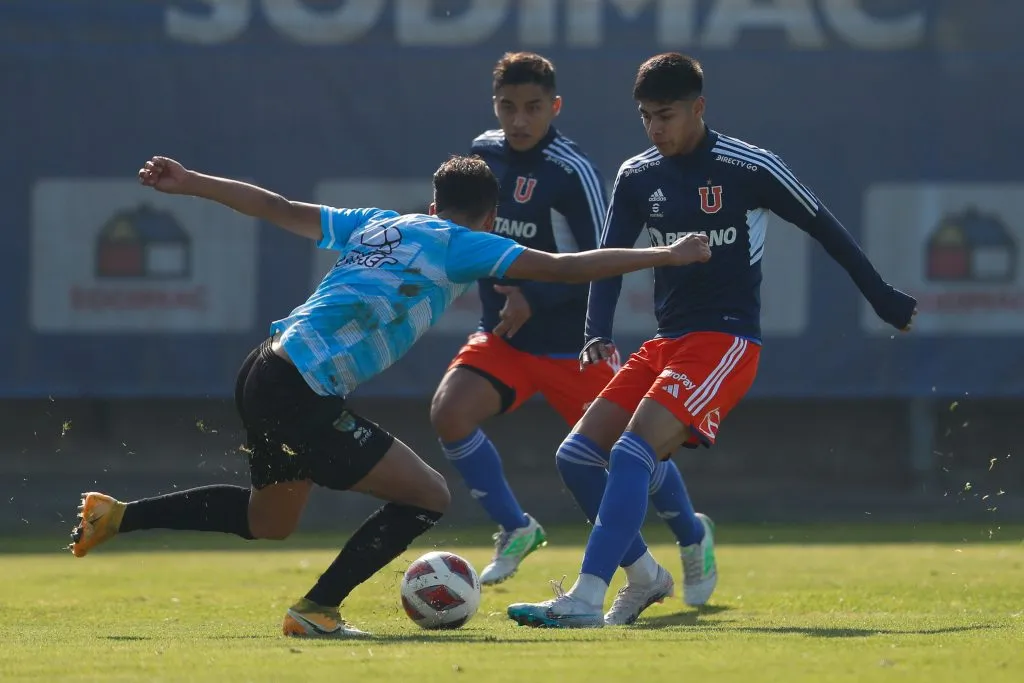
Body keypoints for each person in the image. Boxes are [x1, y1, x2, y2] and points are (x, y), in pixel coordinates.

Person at [69, 153, 712, 638]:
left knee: (272, 521)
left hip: (265, 367)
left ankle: (119, 515)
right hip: (302, 386)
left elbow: (273, 206)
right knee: (428, 495)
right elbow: (567, 268)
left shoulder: (376, 224)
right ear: (489, 218)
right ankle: (317, 610)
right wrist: (667, 256)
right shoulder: (466, 244)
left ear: (432, 203)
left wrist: (193, 181)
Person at [507, 53, 918, 628]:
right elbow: (607, 258)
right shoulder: (636, 175)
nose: (655, 129)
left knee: (630, 452)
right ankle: (648, 576)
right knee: (575, 457)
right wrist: (596, 330)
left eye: (667, 116)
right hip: (665, 341)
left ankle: (585, 596)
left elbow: (823, 223)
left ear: (698, 108)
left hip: (724, 341)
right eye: (646, 116)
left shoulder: (749, 166)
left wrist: (880, 296)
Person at [430, 51, 703, 586]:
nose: (519, 121)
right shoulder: (482, 155)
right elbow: (464, 235)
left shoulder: (571, 171)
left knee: (639, 452)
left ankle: (693, 535)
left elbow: (601, 261)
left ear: (554, 107)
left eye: (533, 107)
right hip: (504, 338)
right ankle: (518, 528)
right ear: (495, 106)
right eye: (508, 107)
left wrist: (531, 294)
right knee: (449, 412)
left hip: (569, 346)